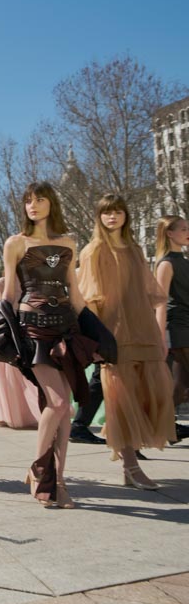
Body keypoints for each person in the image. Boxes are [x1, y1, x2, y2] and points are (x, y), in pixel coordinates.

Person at [2, 183, 102, 508]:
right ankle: (40, 472)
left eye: (39, 199)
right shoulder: (16, 243)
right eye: (28, 200)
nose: (33, 205)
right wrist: (4, 332)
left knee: (64, 409)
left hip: (65, 329)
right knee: (59, 404)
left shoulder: (68, 242)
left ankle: (58, 481)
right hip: (33, 330)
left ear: (51, 203)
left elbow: (74, 292)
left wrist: (99, 331)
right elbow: (10, 292)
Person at [77, 194, 176, 490]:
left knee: (149, 392)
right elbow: (89, 298)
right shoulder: (93, 251)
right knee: (120, 399)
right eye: (106, 212)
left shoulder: (134, 249)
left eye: (117, 212)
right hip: (112, 333)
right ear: (99, 217)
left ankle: (126, 460)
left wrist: (159, 334)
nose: (112, 217)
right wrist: (96, 340)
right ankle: (131, 465)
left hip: (141, 328)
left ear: (125, 216)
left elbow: (149, 293)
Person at [0, 278, 41, 429]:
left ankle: (25, 411)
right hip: (7, 329)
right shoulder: (2, 282)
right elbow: (1, 306)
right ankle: (5, 413)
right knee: (3, 374)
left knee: (23, 374)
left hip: (25, 327)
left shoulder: (28, 281)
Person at [154, 214, 189, 443]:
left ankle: (161, 425)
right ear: (169, 233)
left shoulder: (184, 261)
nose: (188, 231)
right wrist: (160, 337)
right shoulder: (166, 263)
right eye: (184, 228)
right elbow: (160, 302)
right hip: (177, 329)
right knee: (181, 386)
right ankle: (153, 423)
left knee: (181, 387)